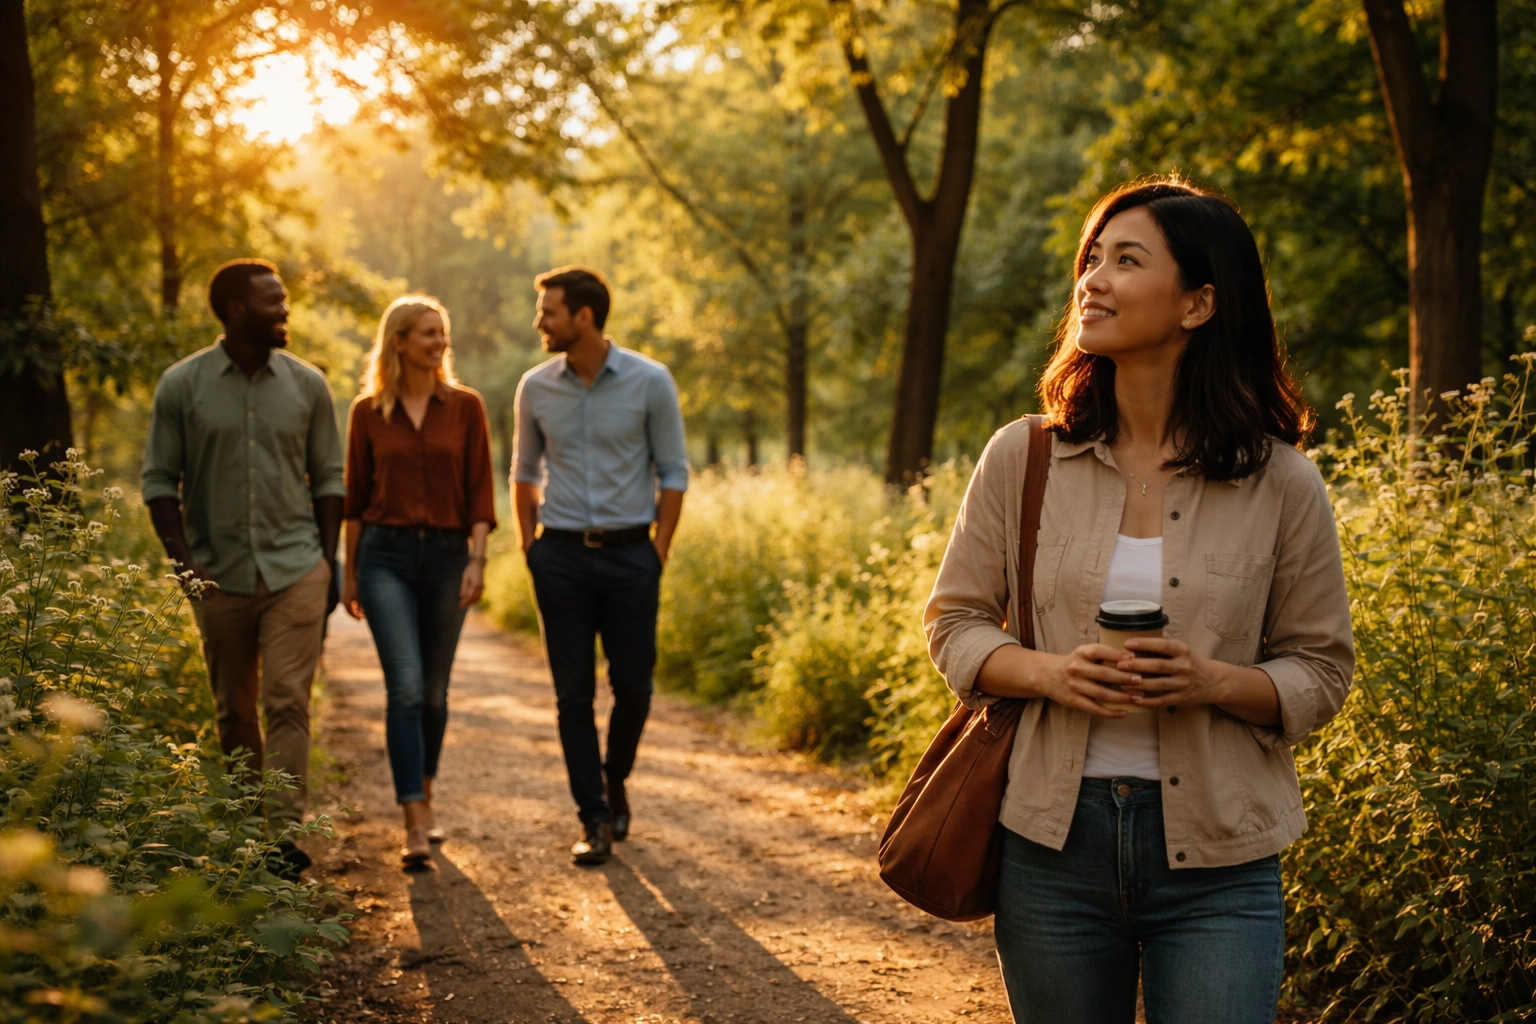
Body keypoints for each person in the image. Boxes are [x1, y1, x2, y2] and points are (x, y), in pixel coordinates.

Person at [924, 179, 1354, 1023]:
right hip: (1051, 846)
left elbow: (1321, 668)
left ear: (1197, 303)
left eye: (1127, 260)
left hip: (1223, 859)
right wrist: (1049, 674)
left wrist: (1213, 682)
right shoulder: (1024, 456)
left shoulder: (1282, 481)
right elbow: (954, 624)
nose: (1093, 279)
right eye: (1092, 259)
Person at [142, 258, 346, 879]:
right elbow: (158, 481)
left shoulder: (308, 385)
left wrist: (328, 561)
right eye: (272, 300)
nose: (285, 310)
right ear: (236, 310)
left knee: (287, 700)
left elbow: (330, 480)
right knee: (235, 710)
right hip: (218, 572)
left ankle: (282, 840)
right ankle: (246, 828)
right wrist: (185, 565)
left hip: (295, 569)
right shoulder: (183, 386)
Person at [512, 266, 688, 866]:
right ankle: (592, 816)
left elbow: (674, 473)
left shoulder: (650, 381)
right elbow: (524, 472)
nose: (540, 321)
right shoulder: (535, 387)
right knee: (571, 696)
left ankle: (615, 781)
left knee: (634, 687)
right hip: (558, 554)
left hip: (630, 554)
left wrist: (655, 553)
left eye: (548, 311)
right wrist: (529, 547)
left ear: (582, 317)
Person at [340, 295, 496, 866]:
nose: (439, 343)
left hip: (450, 557)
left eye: (443, 334)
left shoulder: (465, 407)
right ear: (399, 341)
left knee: (433, 691)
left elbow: (481, 488)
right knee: (404, 685)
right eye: (428, 333)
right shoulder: (366, 413)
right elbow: (355, 500)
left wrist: (478, 559)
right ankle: (413, 815)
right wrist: (350, 573)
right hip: (385, 557)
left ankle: (425, 789)